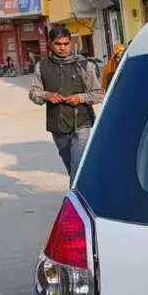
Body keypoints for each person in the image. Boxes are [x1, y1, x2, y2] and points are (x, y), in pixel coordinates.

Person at [29, 26, 104, 184]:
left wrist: (80, 98)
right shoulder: (41, 66)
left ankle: (74, 201)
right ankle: (83, 194)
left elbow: (98, 94)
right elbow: (34, 94)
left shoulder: (85, 65)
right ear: (50, 44)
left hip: (82, 124)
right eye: (58, 44)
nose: (63, 48)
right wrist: (46, 95)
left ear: (71, 43)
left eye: (66, 43)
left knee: (78, 167)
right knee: (71, 167)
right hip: (58, 126)